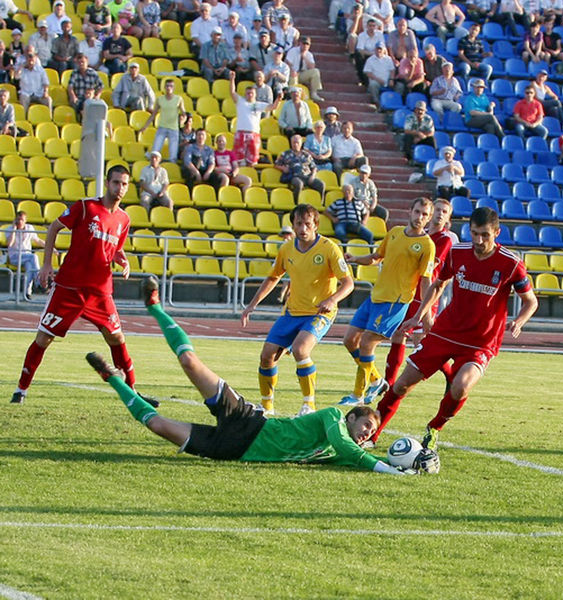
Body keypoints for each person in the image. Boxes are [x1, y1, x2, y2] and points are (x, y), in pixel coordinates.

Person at [85, 277, 439, 475]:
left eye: (371, 433)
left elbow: (352, 457)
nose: (367, 433)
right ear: (351, 416)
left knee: (157, 425)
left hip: (232, 451)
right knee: (190, 362)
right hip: (248, 422)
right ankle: (156, 307)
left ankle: (112, 378)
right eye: (366, 425)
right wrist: (392, 471)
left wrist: (404, 461)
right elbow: (351, 449)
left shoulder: (335, 452)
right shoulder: (334, 418)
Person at [373, 207, 538, 450]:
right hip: (445, 332)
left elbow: (531, 301)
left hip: (481, 342)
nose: (478, 240)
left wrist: (519, 321)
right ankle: (372, 434)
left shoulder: (511, 263)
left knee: (460, 387)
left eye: (485, 235)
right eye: (474, 233)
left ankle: (434, 427)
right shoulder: (457, 252)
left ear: (497, 233)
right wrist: (419, 316)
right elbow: (438, 285)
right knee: (401, 384)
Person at [10, 165, 156, 407]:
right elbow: (54, 227)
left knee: (116, 337)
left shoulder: (124, 219)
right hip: (69, 288)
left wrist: (123, 259)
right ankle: (20, 390)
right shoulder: (86, 207)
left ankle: (132, 391)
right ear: (107, 183)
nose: (120, 188)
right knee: (44, 338)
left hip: (100, 291)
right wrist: (46, 264)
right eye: (116, 182)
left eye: (124, 184)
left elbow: (115, 248)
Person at [241, 204, 354, 416]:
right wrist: (252, 305)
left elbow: (348, 283)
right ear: (293, 225)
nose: (303, 229)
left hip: (319, 313)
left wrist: (332, 300)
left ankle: (308, 405)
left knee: (301, 349)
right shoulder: (286, 249)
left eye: (308, 224)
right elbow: (273, 277)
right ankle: (267, 407)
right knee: (266, 356)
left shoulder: (329, 248)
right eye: (299, 224)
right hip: (292, 312)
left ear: (316, 225)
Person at [339, 197, 435, 406]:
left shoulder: (427, 245)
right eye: (417, 212)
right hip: (375, 297)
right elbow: (376, 257)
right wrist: (355, 259)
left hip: (395, 302)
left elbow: (426, 280)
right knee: (349, 340)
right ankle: (376, 381)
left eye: (424, 214)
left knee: (367, 343)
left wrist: (426, 314)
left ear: (429, 219)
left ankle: (357, 395)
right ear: (410, 211)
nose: (420, 217)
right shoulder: (394, 233)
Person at [383, 198, 454, 390]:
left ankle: (450, 375)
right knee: (399, 334)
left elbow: (429, 270)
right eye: (437, 209)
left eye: (444, 212)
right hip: (407, 291)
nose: (440, 214)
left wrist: (429, 310)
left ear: (448, 218)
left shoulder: (444, 240)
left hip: (426, 294)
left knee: (421, 342)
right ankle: (388, 383)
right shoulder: (418, 235)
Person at [230, 71, 281, 167]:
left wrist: (278, 99)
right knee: (238, 160)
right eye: (248, 93)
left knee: (252, 161)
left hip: (254, 135)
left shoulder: (259, 104)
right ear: (245, 94)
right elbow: (232, 92)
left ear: (255, 94)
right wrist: (232, 79)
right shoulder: (241, 101)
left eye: (252, 93)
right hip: (241, 133)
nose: (250, 95)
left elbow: (273, 107)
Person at [141, 79, 186, 163]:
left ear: (173, 88)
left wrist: (183, 120)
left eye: (171, 86)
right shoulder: (160, 99)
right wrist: (145, 126)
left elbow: (184, 112)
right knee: (155, 150)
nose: (169, 88)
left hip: (174, 128)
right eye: (167, 86)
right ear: (164, 87)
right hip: (162, 127)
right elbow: (153, 114)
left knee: (173, 156)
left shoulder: (178, 99)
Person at [5, 210, 46, 300]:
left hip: (27, 257)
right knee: (34, 256)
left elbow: (37, 240)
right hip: (15, 256)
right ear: (15, 220)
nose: (20, 222)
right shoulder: (9, 229)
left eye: (22, 220)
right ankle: (38, 282)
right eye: (18, 219)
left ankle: (26, 293)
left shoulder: (29, 228)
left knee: (30, 268)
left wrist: (51, 248)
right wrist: (14, 229)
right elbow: (9, 244)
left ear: (25, 220)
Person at [275, 134, 326, 202]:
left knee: (321, 184)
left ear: (301, 143)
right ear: (291, 143)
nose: (295, 144)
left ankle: (320, 203)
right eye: (294, 142)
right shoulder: (286, 154)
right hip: (295, 176)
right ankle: (296, 203)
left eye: (297, 142)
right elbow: (276, 164)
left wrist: (312, 176)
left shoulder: (306, 154)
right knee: (299, 184)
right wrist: (283, 168)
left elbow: (314, 167)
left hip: (307, 176)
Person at [285, 36, 324, 102]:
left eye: (307, 44)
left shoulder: (309, 54)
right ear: (300, 43)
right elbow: (287, 63)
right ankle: (291, 95)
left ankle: (314, 93)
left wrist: (304, 57)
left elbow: (312, 67)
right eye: (304, 43)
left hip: (302, 74)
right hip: (292, 73)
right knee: (293, 76)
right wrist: (292, 71)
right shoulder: (293, 51)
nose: (305, 46)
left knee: (315, 71)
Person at [67, 52, 103, 117]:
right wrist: (73, 96)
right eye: (79, 62)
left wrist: (97, 96)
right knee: (80, 105)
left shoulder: (93, 73)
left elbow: (101, 86)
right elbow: (70, 87)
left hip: (90, 98)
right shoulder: (74, 73)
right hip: (78, 98)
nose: (81, 64)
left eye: (83, 62)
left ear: (87, 62)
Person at [16, 49, 51, 114]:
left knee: (48, 100)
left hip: (39, 93)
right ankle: (24, 118)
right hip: (26, 93)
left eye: (32, 60)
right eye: (29, 60)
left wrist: (45, 92)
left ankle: (49, 117)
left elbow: (46, 82)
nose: (30, 62)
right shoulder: (22, 70)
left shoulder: (40, 70)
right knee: (23, 99)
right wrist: (21, 67)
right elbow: (16, 77)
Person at [363, 41, 395, 105]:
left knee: (400, 86)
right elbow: (368, 73)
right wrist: (378, 80)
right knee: (373, 84)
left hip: (388, 81)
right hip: (376, 81)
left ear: (384, 50)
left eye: (380, 49)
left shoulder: (388, 59)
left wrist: (391, 79)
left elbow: (392, 70)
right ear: (375, 49)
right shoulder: (370, 60)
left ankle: (394, 102)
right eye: (377, 49)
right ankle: (376, 101)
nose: (379, 50)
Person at [355, 18, 385, 84]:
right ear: (367, 26)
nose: (372, 28)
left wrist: (377, 54)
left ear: (376, 27)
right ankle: (362, 79)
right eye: (370, 26)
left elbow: (383, 48)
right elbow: (360, 50)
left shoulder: (380, 34)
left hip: (378, 55)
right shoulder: (362, 35)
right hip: (367, 55)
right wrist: (372, 54)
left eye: (373, 26)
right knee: (358, 56)